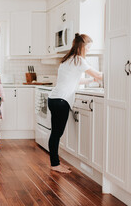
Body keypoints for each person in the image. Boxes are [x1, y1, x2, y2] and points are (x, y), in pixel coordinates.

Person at [48, 33, 103, 173]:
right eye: (88, 47)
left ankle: (56, 162)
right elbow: (98, 75)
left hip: (54, 99)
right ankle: (55, 164)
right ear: (83, 46)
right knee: (56, 134)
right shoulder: (79, 60)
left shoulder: (67, 59)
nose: (89, 50)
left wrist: (91, 81)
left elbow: (75, 80)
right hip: (61, 101)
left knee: (55, 133)